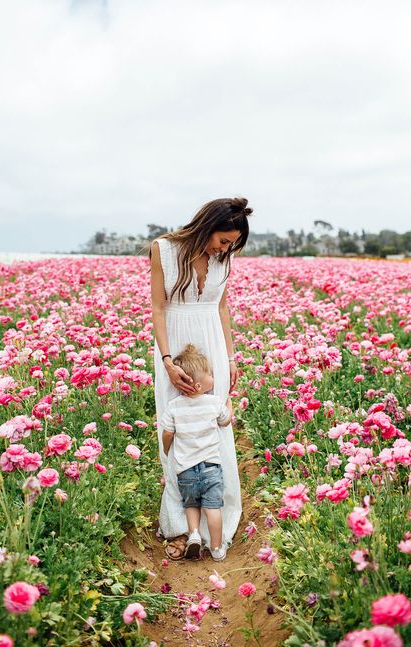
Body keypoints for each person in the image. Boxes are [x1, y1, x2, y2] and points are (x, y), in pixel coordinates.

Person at [149, 196, 253, 560]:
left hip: (212, 340)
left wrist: (229, 356)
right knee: (177, 427)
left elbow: (222, 306)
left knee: (215, 426)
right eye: (224, 240)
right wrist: (166, 360)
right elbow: (158, 308)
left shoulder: (226, 258)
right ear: (208, 225)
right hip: (175, 342)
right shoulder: (163, 250)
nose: (226, 249)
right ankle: (180, 524)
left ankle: (217, 519)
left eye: (232, 245)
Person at [161, 344, 234, 561]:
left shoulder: (174, 406)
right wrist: (229, 403)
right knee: (213, 508)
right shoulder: (213, 403)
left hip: (186, 470)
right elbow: (225, 421)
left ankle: (193, 534)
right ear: (201, 384)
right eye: (211, 374)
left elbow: (167, 433)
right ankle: (217, 547)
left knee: (191, 504)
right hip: (211, 467)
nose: (214, 376)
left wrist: (167, 451)